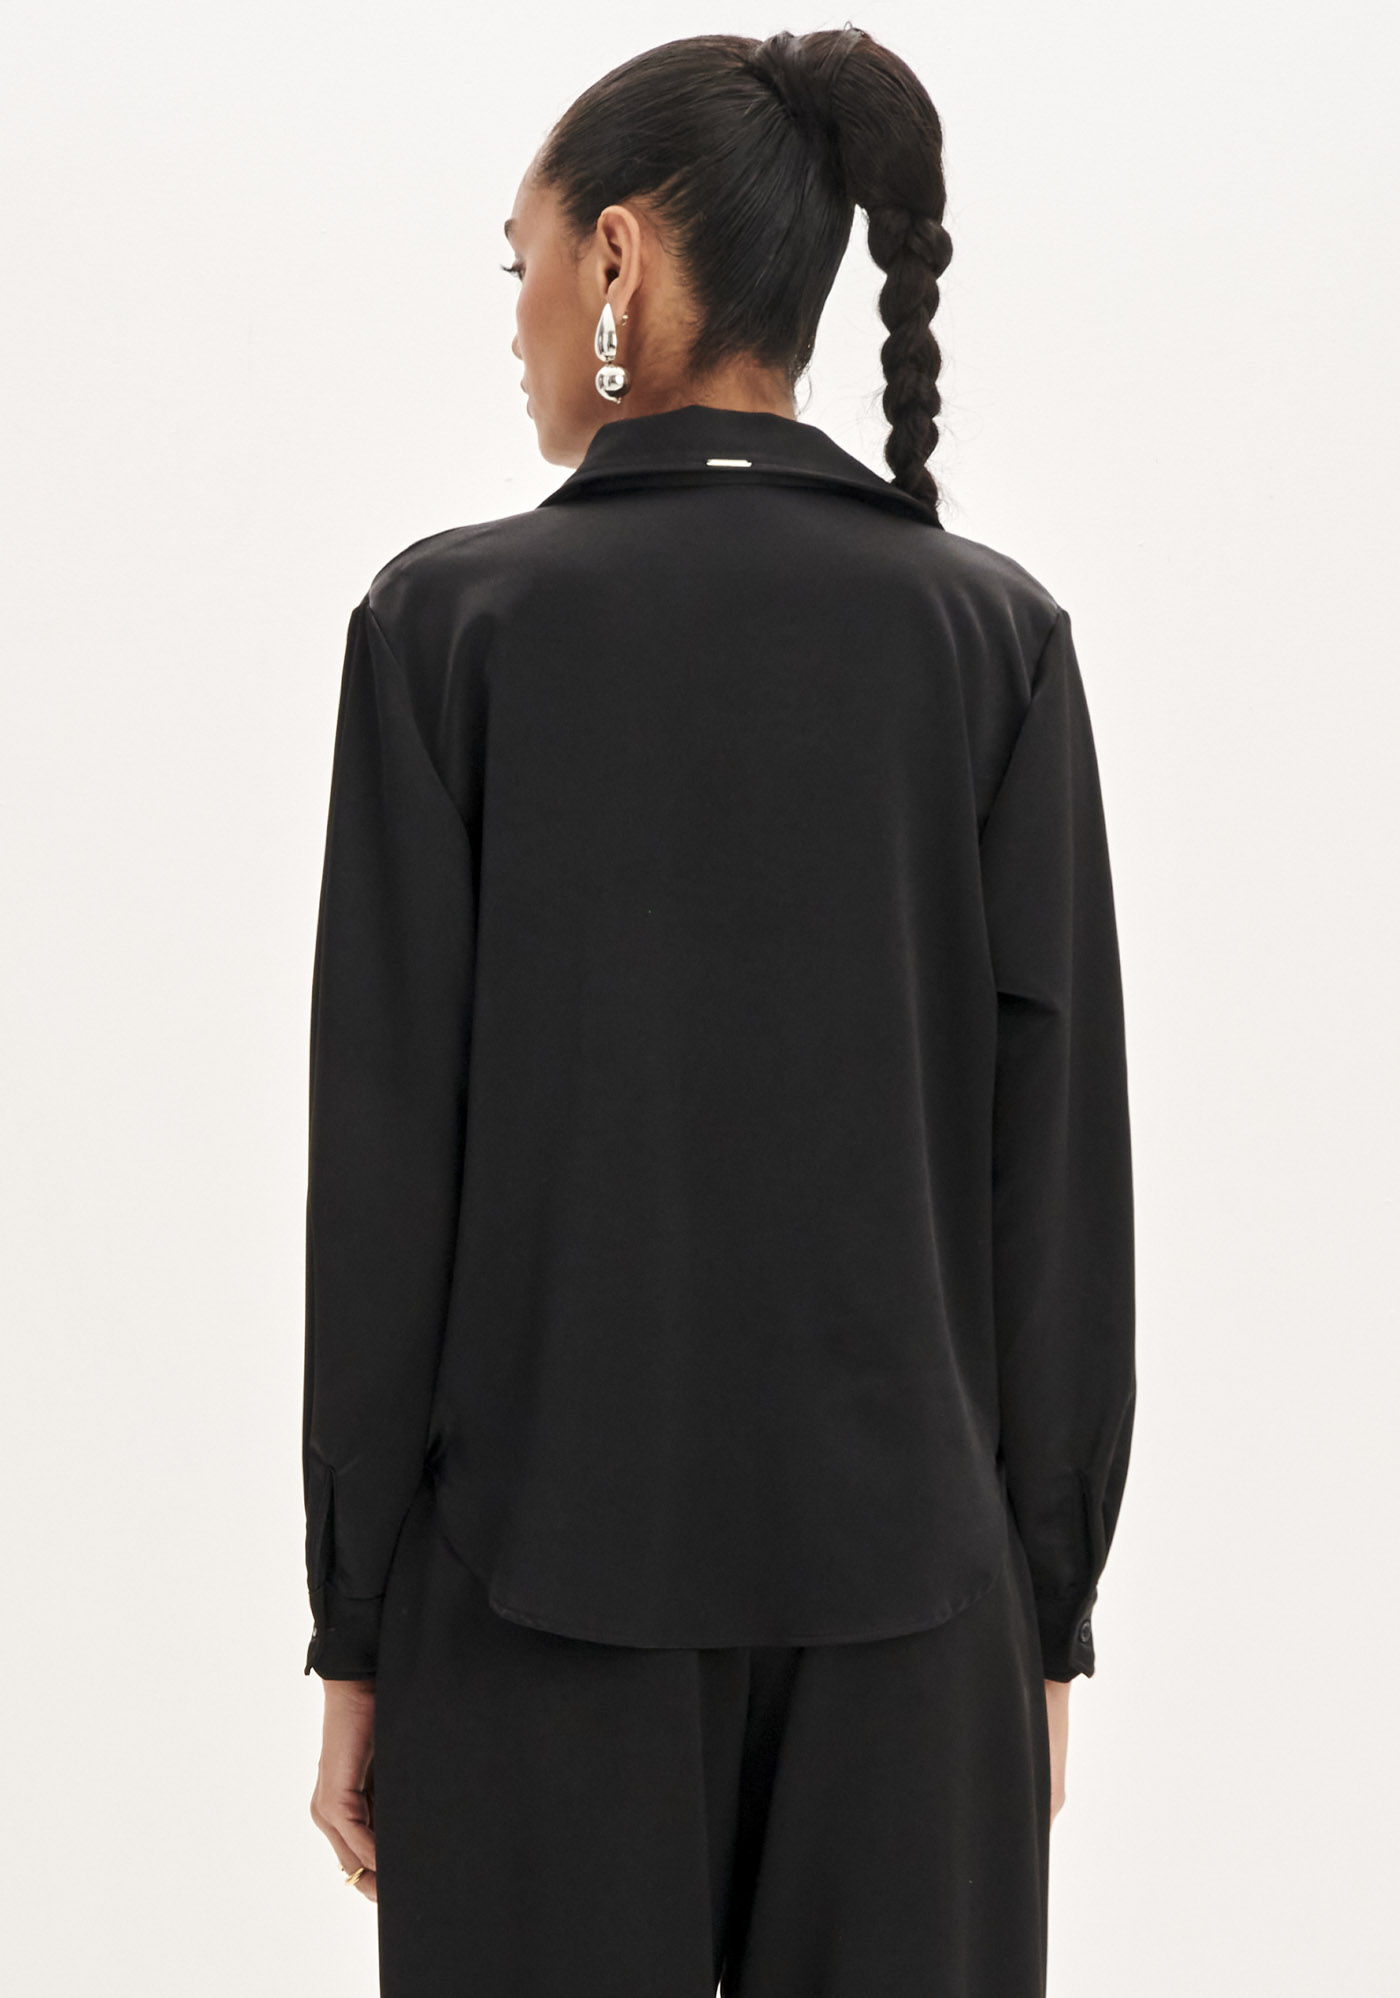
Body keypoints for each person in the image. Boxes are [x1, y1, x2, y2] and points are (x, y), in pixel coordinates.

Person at [302, 25, 1135, 1998]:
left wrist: (357, 1633)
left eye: (519, 260)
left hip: (529, 1600)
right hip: (917, 1623)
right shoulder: (991, 639)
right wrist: (1042, 1618)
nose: (513, 314)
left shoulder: (450, 629)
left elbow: (387, 1172)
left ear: (615, 258)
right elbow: (1055, 1181)